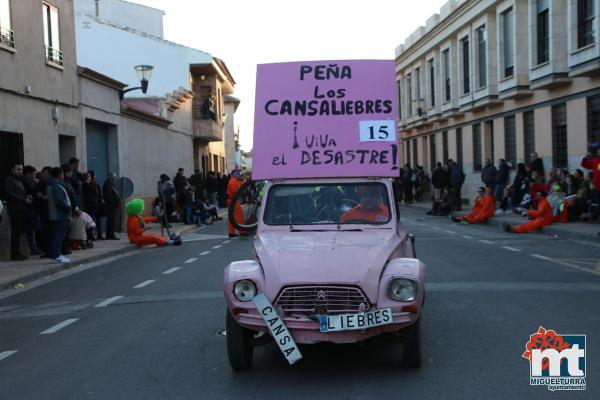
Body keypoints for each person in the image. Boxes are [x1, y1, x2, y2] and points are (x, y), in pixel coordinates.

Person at [4, 163, 32, 260]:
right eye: (18, 169)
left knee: (19, 232)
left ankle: (18, 252)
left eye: (21, 169)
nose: (20, 171)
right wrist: (24, 200)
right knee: (16, 232)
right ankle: (15, 254)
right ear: (12, 169)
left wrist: (26, 197)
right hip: (15, 209)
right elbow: (10, 194)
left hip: (21, 209)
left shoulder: (19, 180)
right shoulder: (9, 180)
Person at [47, 167, 71, 263]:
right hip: (59, 214)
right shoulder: (55, 185)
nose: (63, 175)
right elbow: (59, 201)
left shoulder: (53, 184)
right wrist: (68, 207)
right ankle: (56, 255)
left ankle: (57, 254)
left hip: (57, 214)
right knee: (59, 235)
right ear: (59, 174)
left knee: (58, 235)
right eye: (62, 174)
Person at [23, 165, 42, 255]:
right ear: (28, 174)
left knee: (35, 229)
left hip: (34, 208)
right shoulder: (26, 182)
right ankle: (33, 248)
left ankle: (36, 247)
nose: (34, 176)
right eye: (33, 174)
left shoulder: (31, 181)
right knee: (31, 230)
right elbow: (33, 192)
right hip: (30, 208)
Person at [226, 170, 247, 237]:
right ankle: (242, 231)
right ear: (234, 174)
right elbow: (236, 190)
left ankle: (231, 232)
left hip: (232, 200)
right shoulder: (233, 181)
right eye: (237, 173)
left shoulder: (234, 180)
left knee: (232, 217)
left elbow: (241, 183)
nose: (239, 174)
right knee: (239, 216)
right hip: (234, 200)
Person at [581, 142, 600, 206]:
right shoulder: (596, 160)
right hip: (598, 188)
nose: (599, 151)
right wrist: (585, 158)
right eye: (598, 150)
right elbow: (585, 164)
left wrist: (592, 145)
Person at [103, 173, 120, 240]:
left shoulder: (110, 184)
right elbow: (109, 195)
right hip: (111, 205)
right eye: (114, 177)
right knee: (111, 220)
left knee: (112, 220)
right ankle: (110, 235)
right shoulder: (108, 184)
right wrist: (115, 200)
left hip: (112, 205)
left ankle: (110, 234)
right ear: (111, 177)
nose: (115, 179)